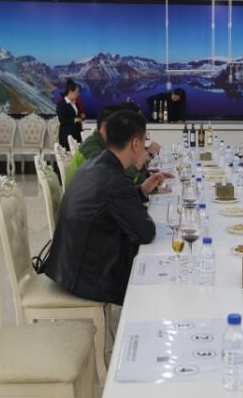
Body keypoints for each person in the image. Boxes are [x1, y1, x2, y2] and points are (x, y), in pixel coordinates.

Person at [45, 109, 162, 305]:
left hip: (66, 266)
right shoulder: (115, 180)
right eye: (145, 141)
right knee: (158, 272)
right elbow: (146, 232)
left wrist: (141, 190)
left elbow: (108, 202)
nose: (145, 147)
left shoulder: (96, 163)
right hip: (84, 277)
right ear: (135, 144)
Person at [65, 105, 164, 187]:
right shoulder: (92, 150)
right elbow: (117, 183)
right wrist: (140, 161)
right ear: (105, 127)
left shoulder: (107, 146)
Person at [56, 79, 83, 148]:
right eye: (77, 93)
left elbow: (78, 116)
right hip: (66, 135)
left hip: (77, 134)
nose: (78, 95)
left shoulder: (76, 104)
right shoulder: (62, 104)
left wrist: (81, 116)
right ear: (70, 92)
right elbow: (62, 120)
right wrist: (75, 120)